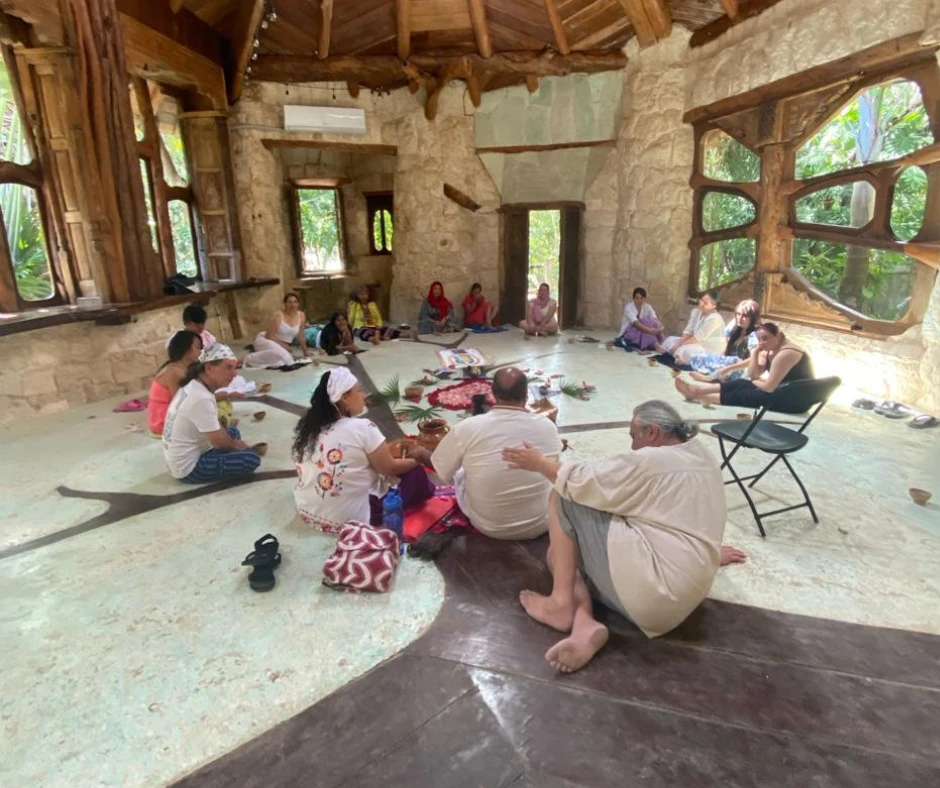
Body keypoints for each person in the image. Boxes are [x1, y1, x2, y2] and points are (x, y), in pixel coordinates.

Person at [502, 400, 745, 674]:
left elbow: (582, 481)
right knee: (559, 555)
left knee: (562, 496)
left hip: (653, 595)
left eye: (634, 436)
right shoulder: (702, 455)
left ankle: (560, 603)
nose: (632, 446)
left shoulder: (652, 460)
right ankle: (584, 624)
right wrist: (710, 554)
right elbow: (687, 511)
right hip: (687, 594)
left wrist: (539, 463)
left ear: (652, 432)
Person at [293, 367, 433, 533]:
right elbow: (390, 468)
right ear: (344, 397)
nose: (364, 396)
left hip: (308, 511)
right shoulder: (361, 427)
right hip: (350, 518)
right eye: (359, 391)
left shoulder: (309, 428)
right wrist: (418, 458)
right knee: (413, 472)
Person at [431, 367, 560, 540]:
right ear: (526, 395)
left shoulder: (467, 427)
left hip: (488, 526)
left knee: (461, 472)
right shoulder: (548, 426)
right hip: (540, 523)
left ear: (493, 393)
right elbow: (554, 473)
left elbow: (442, 472)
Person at [163, 344, 263, 483]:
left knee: (233, 432)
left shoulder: (195, 386)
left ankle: (232, 454)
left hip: (181, 459)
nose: (234, 374)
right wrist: (237, 446)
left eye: (235, 368)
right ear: (209, 368)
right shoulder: (200, 398)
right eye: (228, 368)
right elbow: (220, 443)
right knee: (251, 459)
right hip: (189, 468)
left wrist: (233, 444)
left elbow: (215, 426)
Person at [675, 322, 814, 411]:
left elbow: (768, 387)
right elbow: (754, 375)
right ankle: (697, 390)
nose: (762, 343)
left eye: (766, 338)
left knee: (749, 394)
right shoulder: (770, 350)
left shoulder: (786, 353)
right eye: (760, 339)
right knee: (742, 383)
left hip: (797, 400)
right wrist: (755, 353)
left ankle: (700, 396)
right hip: (783, 391)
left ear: (778, 336)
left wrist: (755, 381)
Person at [689, 299, 761, 381]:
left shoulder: (754, 335)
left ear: (753, 318)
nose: (739, 318)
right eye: (738, 314)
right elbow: (724, 343)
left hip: (740, 368)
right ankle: (716, 374)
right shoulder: (737, 327)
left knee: (734, 360)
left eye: (744, 316)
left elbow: (753, 359)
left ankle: (709, 377)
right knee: (698, 354)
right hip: (728, 363)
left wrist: (731, 367)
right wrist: (720, 359)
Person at [148, 330, 203, 437]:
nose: (200, 351)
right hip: (164, 422)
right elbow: (182, 404)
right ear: (186, 349)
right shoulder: (174, 372)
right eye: (197, 347)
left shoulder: (181, 367)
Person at [656, 291, 725, 365]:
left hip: (708, 348)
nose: (701, 304)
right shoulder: (696, 312)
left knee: (687, 350)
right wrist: (678, 344)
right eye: (701, 300)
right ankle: (678, 355)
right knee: (670, 339)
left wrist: (679, 346)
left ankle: (677, 356)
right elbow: (688, 331)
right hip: (695, 343)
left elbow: (698, 338)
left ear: (713, 306)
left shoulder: (714, 319)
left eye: (705, 303)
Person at [243, 292, 311, 368]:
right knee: (286, 358)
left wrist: (305, 351)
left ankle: (266, 353)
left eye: (295, 302)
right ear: (285, 304)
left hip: (280, 345)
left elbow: (301, 336)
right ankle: (246, 359)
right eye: (289, 302)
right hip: (267, 340)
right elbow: (269, 336)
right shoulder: (279, 315)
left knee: (283, 359)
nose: (293, 305)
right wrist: (283, 345)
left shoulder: (301, 315)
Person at [611, 287, 663, 351]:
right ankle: (656, 345)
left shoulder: (648, 307)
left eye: (641, 298)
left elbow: (654, 319)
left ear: (644, 299)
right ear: (633, 298)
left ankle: (655, 344)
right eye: (637, 298)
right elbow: (636, 323)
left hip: (642, 331)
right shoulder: (628, 307)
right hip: (629, 333)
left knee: (652, 324)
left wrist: (659, 327)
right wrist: (649, 330)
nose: (639, 300)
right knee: (643, 322)